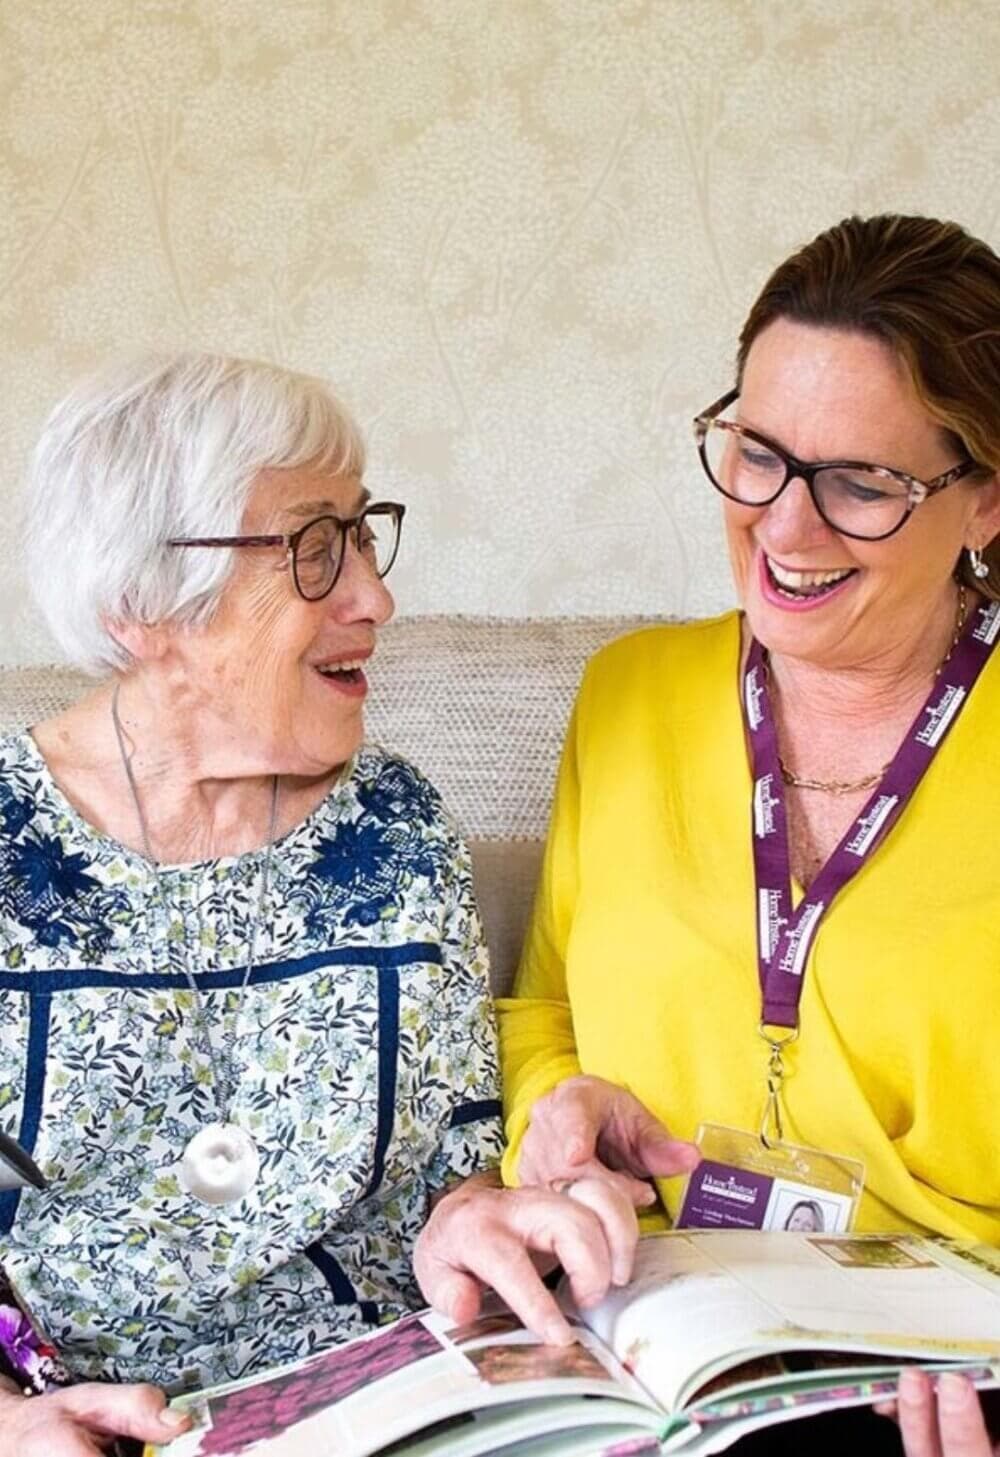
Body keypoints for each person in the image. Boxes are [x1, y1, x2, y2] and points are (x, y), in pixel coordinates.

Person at [0, 353, 630, 1456]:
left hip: (395, 1404)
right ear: (145, 604)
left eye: (360, 531)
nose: (373, 595)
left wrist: (477, 1218)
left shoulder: (387, 822)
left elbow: (452, 1172)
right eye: (312, 548)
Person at [495, 215, 1000, 1456]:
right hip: (654, 1338)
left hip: (942, 1379)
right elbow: (542, 1002)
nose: (783, 526)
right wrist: (556, 1111)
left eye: (862, 482)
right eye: (758, 454)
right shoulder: (631, 692)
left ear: (986, 497)